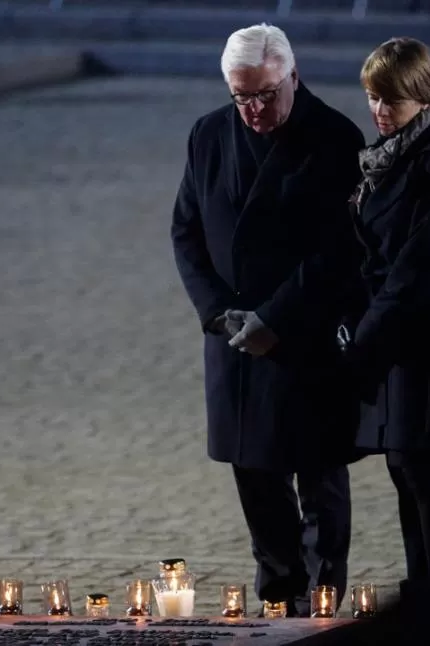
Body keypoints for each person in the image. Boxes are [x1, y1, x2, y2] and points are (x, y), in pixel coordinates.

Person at [170, 23, 365, 615]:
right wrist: (215, 315)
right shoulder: (208, 134)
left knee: (319, 475)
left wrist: (275, 317)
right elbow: (186, 230)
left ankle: (322, 599)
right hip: (234, 340)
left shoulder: (334, 137)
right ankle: (280, 598)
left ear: (292, 77)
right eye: (241, 96)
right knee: (256, 474)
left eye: (264, 94)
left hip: (305, 338)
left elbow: (340, 249)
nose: (252, 109)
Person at [338, 37, 430, 609]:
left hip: (418, 333)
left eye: (388, 98)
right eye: (372, 97)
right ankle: (421, 585)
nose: (378, 110)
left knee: (418, 464)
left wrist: (363, 344)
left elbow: (418, 266)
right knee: (401, 466)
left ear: (419, 93)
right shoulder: (384, 155)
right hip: (382, 326)